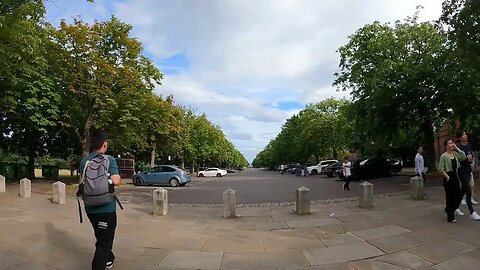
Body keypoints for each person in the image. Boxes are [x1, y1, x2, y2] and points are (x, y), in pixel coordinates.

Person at [80, 130, 122, 269]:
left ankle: (109, 258)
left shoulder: (85, 161)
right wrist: (109, 180)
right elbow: (116, 181)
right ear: (104, 144)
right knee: (104, 242)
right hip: (107, 207)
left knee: (101, 235)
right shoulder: (109, 159)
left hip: (90, 207)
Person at [439, 139, 466, 223]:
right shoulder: (443, 156)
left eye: (452, 143)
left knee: (459, 193)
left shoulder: (454, 154)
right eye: (450, 143)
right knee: (449, 197)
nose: (452, 144)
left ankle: (449, 209)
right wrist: (447, 177)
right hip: (448, 177)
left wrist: (457, 148)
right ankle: (450, 217)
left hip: (455, 176)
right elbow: (440, 168)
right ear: (446, 146)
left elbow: (463, 157)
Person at [455, 131, 480, 220]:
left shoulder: (469, 145)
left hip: (468, 170)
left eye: (465, 134)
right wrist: (467, 159)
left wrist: (472, 160)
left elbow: (471, 155)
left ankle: (455, 207)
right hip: (461, 171)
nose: (465, 136)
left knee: (463, 190)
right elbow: (459, 159)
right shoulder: (457, 147)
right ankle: (472, 212)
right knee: (468, 190)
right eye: (463, 135)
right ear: (459, 138)